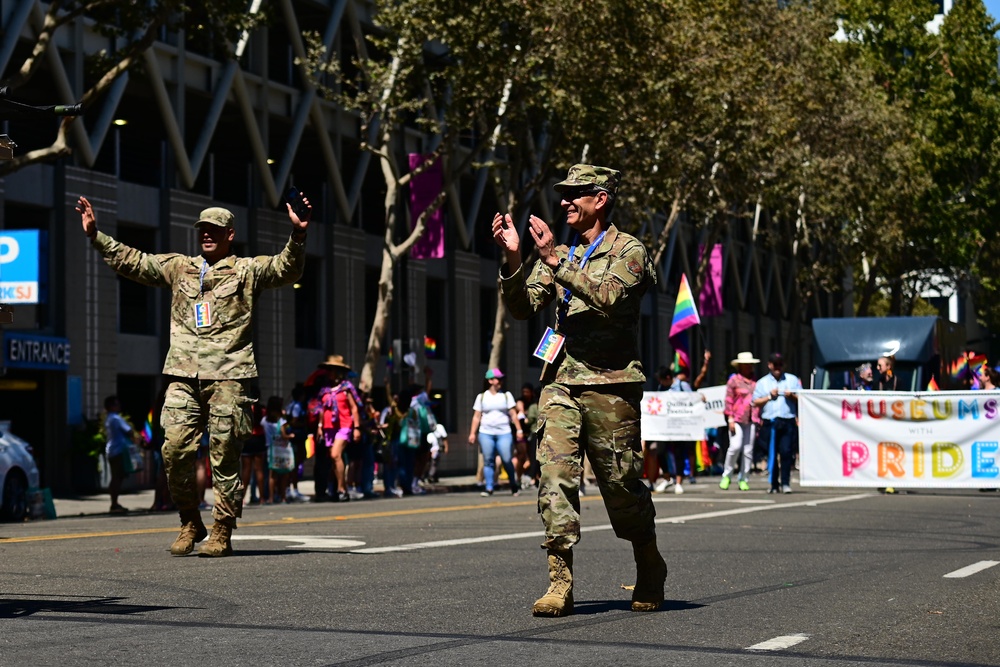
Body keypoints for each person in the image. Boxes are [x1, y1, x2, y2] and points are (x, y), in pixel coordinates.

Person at [77, 193, 309, 557]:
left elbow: (286, 269)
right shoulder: (180, 267)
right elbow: (135, 262)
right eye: (202, 229)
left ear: (230, 234)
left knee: (224, 456)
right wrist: (96, 235)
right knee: (173, 450)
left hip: (230, 377)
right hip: (182, 375)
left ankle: (222, 529)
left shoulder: (247, 270)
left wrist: (297, 236)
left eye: (214, 230)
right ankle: (189, 521)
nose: (206, 235)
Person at [493, 163, 666, 616]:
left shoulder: (630, 250)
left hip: (611, 386)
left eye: (575, 193)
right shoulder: (562, 252)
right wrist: (514, 259)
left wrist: (557, 262)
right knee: (554, 476)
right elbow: (522, 306)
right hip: (560, 384)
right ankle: (560, 581)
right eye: (563, 193)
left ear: (600, 199)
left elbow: (609, 297)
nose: (565, 200)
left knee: (620, 485)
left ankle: (649, 562)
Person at [315, 355, 363, 502]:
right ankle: (338, 487)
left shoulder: (346, 388)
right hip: (329, 427)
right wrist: (320, 426)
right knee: (333, 458)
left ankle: (342, 489)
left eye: (332, 370)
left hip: (344, 425)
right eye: (328, 370)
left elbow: (354, 408)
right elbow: (322, 409)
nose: (329, 373)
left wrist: (357, 427)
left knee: (336, 455)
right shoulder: (324, 390)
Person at [751, 352, 801, 494]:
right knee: (771, 453)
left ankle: (785, 482)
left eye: (780, 364)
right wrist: (768, 397)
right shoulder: (762, 382)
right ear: (769, 365)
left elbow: (802, 398)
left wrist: (791, 396)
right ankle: (773, 483)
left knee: (786, 452)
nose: (778, 367)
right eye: (775, 364)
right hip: (770, 422)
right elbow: (755, 402)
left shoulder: (792, 380)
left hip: (787, 420)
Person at [467, 368, 522, 497]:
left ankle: (513, 484)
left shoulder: (506, 396)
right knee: (488, 460)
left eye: (501, 379)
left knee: (507, 459)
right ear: (490, 381)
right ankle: (489, 487)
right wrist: (472, 433)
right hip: (486, 432)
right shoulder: (481, 397)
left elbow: (513, 415)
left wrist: (519, 430)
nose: (500, 381)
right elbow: (476, 416)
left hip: (504, 432)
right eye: (498, 379)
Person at [720, 352, 759, 491]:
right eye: (746, 365)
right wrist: (729, 418)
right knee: (735, 446)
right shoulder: (734, 381)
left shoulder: (755, 382)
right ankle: (727, 474)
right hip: (736, 418)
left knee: (748, 450)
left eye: (750, 365)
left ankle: (744, 478)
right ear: (741, 366)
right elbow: (728, 400)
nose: (749, 367)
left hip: (751, 418)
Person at [103, 396, 136, 514]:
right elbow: (129, 430)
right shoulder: (116, 418)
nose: (119, 406)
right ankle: (114, 503)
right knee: (117, 477)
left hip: (112, 450)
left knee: (116, 476)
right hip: (118, 450)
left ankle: (114, 502)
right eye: (116, 404)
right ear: (112, 406)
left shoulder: (108, 418)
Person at [262, 396, 294, 503]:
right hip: (282, 449)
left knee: (272, 474)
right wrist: (291, 436)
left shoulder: (264, 420)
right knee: (284, 474)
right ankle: (283, 497)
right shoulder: (281, 420)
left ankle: (270, 497)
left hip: (270, 449)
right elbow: (284, 434)